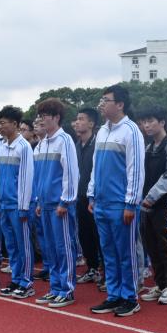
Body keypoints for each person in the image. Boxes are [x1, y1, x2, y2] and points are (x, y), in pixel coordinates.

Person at [88, 85, 145, 317]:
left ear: (120, 104)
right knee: (108, 253)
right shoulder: (102, 131)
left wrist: (131, 203)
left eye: (106, 100)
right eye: (101, 100)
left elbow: (135, 169)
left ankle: (130, 297)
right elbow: (95, 166)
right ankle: (114, 295)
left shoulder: (131, 131)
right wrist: (91, 193)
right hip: (101, 203)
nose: (101, 104)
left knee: (126, 253)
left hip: (121, 204)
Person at [33, 98, 80, 308]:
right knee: (50, 249)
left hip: (60, 205)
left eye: (45, 116)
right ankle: (55, 287)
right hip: (45, 205)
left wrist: (66, 200)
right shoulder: (42, 144)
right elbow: (38, 177)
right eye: (40, 116)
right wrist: (38, 201)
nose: (41, 120)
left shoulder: (64, 140)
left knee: (64, 247)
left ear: (56, 117)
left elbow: (71, 172)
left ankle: (66, 290)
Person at [137, 106, 167, 306]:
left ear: (162, 122)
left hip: (164, 204)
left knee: (165, 246)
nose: (146, 125)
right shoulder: (148, 147)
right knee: (152, 246)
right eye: (144, 122)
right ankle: (160, 284)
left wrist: (151, 196)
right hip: (147, 205)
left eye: (150, 121)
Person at [0, 106, 36, 298]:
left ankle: (26, 282)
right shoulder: (2, 146)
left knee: (23, 245)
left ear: (15, 124)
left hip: (18, 206)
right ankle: (16, 279)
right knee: (11, 245)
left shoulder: (23, 147)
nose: (0, 126)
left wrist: (24, 206)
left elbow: (26, 178)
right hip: (4, 204)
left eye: (3, 123)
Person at [72, 108, 102, 284]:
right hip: (79, 197)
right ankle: (92, 268)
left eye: (81, 119)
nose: (77, 122)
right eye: (76, 119)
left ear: (91, 123)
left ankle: (105, 271)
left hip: (95, 197)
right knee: (84, 234)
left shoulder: (98, 144)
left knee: (99, 235)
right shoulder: (76, 146)